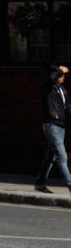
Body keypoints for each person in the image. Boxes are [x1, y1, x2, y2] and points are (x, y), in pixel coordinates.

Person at [34, 64, 71, 195]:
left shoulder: (62, 90)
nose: (63, 77)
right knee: (62, 157)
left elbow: (68, 107)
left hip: (60, 126)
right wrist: (60, 70)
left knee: (51, 156)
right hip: (51, 125)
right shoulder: (47, 88)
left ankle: (39, 183)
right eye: (61, 75)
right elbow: (52, 77)